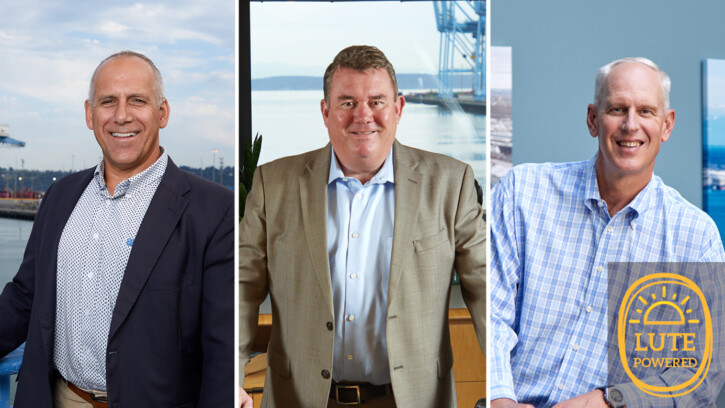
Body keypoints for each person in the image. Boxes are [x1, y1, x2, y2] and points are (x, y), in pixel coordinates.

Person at [239, 45, 485, 408]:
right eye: (347, 102)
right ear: (326, 111)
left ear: (399, 108)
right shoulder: (271, 185)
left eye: (377, 101)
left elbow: (486, 290)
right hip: (301, 399)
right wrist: (227, 376)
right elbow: (240, 289)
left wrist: (505, 387)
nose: (363, 115)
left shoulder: (452, 183)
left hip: (413, 400)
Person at [0, 51, 234, 407]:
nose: (121, 115)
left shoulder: (214, 210)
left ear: (162, 112)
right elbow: (24, 297)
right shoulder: (60, 196)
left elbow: (223, 349)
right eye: (108, 101)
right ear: (90, 114)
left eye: (137, 100)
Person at [489, 57, 725, 407]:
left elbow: (702, 371)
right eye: (617, 108)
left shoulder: (695, 237)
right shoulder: (522, 193)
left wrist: (609, 401)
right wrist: (498, 398)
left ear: (667, 125)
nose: (631, 125)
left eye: (646, 111)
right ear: (593, 119)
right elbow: (491, 312)